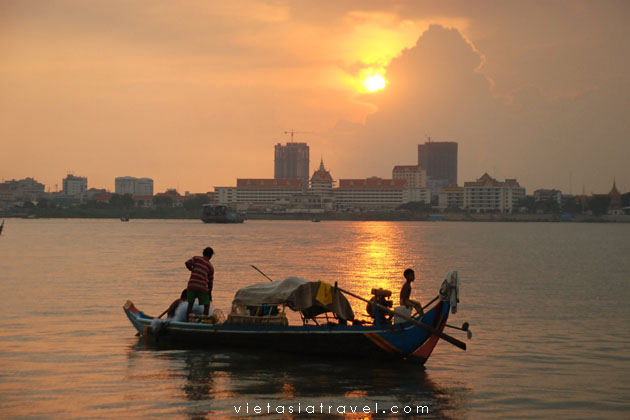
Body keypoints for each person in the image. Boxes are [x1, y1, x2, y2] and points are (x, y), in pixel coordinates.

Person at [185, 247, 214, 320]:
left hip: (191, 285)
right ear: (211, 256)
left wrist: (191, 269)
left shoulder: (196, 258)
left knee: (190, 305)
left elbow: (187, 263)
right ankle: (204, 321)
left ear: (203, 253)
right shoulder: (210, 267)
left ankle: (187, 320)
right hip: (202, 287)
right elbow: (210, 283)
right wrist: (210, 294)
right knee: (207, 305)